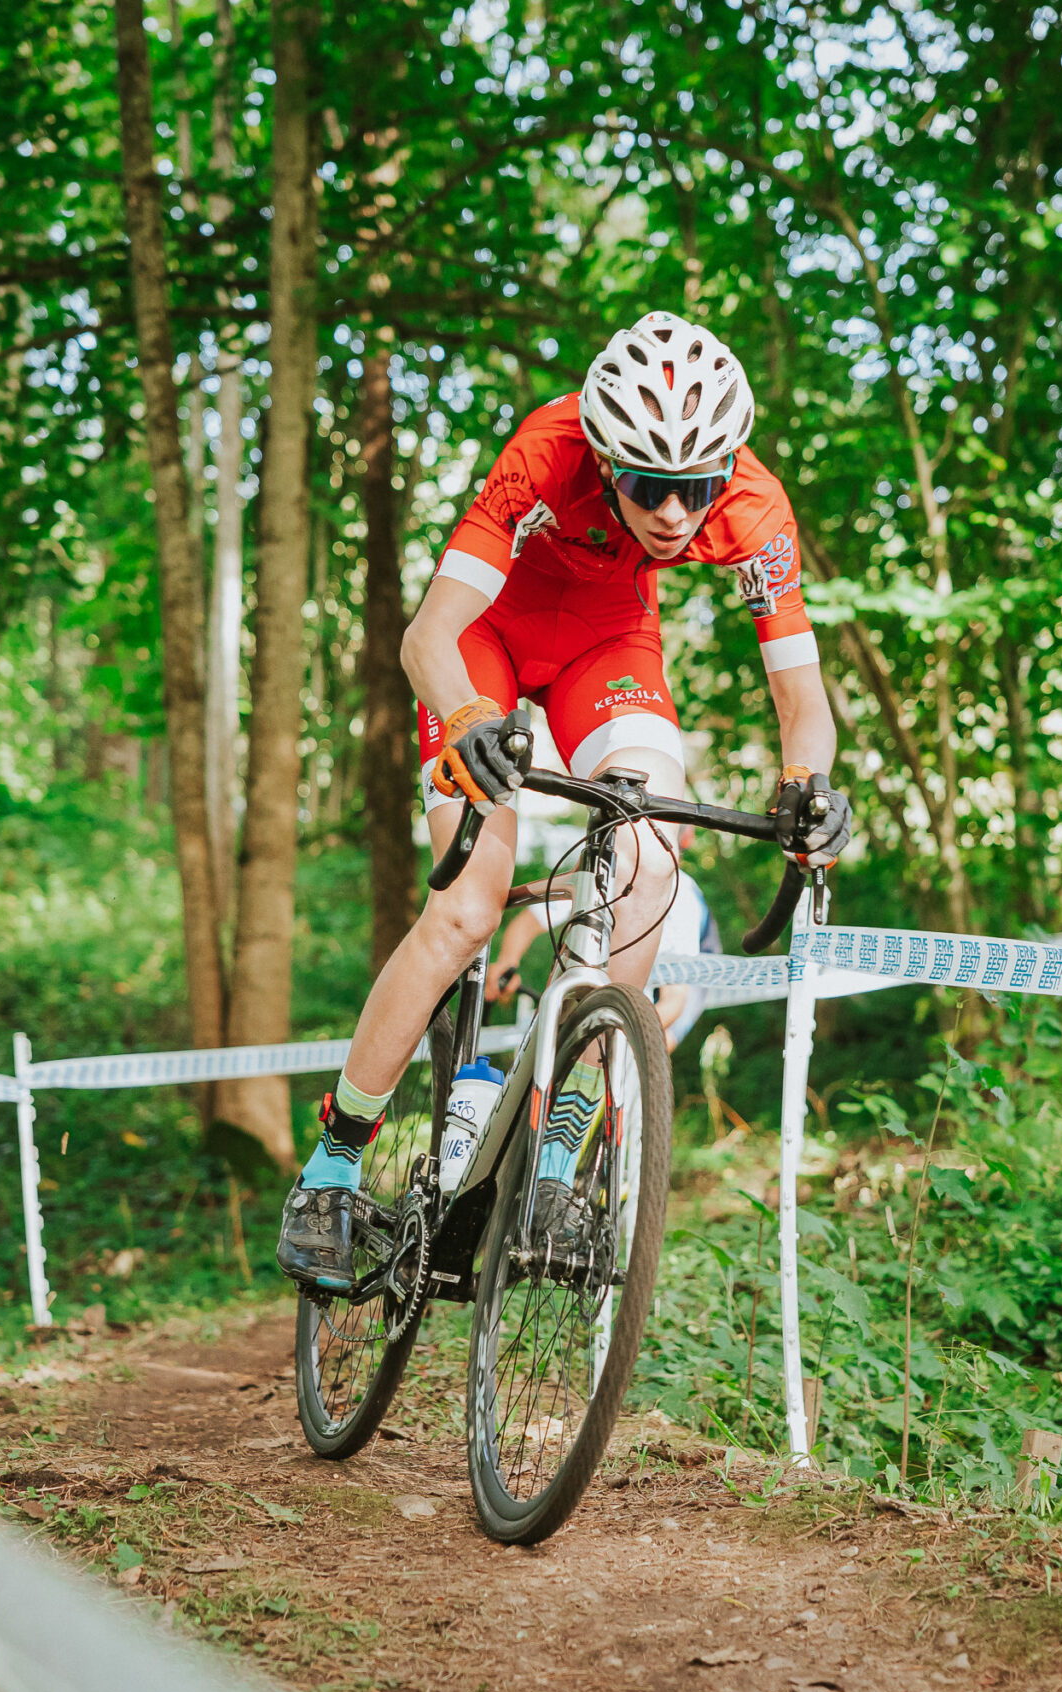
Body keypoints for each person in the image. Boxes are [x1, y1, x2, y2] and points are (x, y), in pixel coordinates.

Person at [277, 311, 852, 1288]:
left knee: (651, 857)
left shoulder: (753, 507)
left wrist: (809, 788)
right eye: (646, 484)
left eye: (696, 486)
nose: (673, 511)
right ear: (604, 457)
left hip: (608, 649)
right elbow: (427, 637)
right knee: (467, 909)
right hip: (483, 644)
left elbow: (803, 701)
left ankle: (552, 1166)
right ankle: (330, 1170)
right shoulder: (546, 453)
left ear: (726, 467)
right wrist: (467, 719)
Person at [484, 829, 720, 1051]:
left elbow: (674, 1002)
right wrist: (507, 962)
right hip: (632, 933)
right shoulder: (602, 874)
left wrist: (613, 1038)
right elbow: (527, 923)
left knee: (655, 1042)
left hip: (697, 954)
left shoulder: (680, 901)